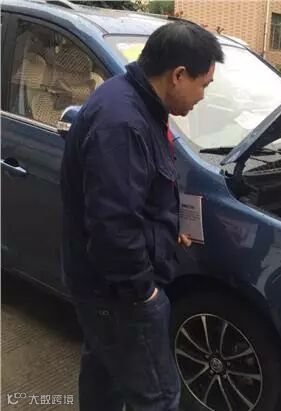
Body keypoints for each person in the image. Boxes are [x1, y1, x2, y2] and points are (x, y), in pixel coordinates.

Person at [60, 21, 223, 411]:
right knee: (158, 397)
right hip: (119, 295)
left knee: (105, 379)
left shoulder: (136, 102)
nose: (202, 97)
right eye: (203, 85)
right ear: (178, 75)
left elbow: (136, 193)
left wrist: (165, 228)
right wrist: (142, 292)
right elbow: (113, 227)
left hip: (102, 289)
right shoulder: (122, 123)